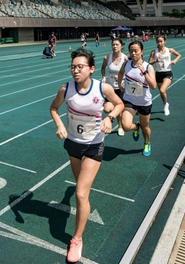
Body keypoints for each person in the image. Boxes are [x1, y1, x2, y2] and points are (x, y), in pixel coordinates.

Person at [49, 48, 123, 263]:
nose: (76, 70)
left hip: (94, 145)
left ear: (91, 69)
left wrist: (110, 118)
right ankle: (79, 200)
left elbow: (118, 104)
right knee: (80, 187)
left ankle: (77, 239)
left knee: (81, 194)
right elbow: (53, 109)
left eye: (80, 66)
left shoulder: (103, 88)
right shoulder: (66, 89)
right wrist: (60, 125)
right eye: (73, 66)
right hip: (73, 143)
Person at [117, 41, 157, 156]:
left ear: (142, 51)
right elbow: (120, 73)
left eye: (136, 51)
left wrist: (143, 72)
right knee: (125, 126)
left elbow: (153, 86)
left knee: (146, 128)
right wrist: (120, 84)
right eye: (131, 51)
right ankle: (136, 127)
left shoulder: (148, 67)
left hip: (144, 102)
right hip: (129, 100)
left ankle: (147, 142)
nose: (133, 53)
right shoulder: (126, 64)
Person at [100, 38, 129, 136]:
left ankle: (120, 126)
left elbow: (129, 72)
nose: (115, 46)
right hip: (109, 88)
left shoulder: (125, 59)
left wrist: (121, 77)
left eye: (117, 44)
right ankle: (112, 117)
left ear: (121, 46)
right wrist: (103, 77)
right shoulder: (107, 57)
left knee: (119, 108)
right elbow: (103, 68)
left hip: (121, 88)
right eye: (113, 45)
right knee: (107, 109)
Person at [148, 35, 181, 116]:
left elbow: (179, 55)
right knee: (161, 92)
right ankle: (165, 104)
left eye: (161, 41)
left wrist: (174, 61)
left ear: (165, 41)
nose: (159, 43)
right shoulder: (154, 51)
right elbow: (149, 62)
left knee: (162, 90)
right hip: (158, 73)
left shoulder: (169, 50)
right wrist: (155, 61)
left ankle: (166, 106)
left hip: (167, 73)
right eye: (158, 41)